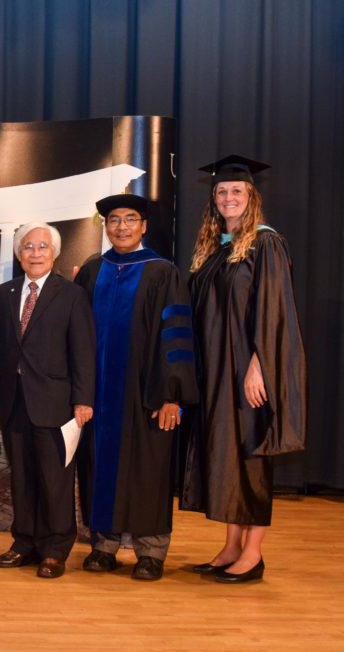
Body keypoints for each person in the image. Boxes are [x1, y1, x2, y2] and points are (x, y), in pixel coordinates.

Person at [181, 155, 307, 584]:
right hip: (218, 371)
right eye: (221, 192)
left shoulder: (265, 243)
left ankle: (253, 553)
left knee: (252, 456)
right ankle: (231, 545)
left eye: (237, 191)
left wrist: (259, 366)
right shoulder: (216, 249)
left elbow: (274, 312)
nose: (228, 197)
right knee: (228, 457)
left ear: (251, 196)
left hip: (247, 371)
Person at [73, 194, 198, 581]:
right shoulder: (92, 272)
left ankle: (151, 550)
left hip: (148, 394)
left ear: (144, 226)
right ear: (106, 227)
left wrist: (172, 395)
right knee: (96, 466)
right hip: (99, 396)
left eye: (130, 219)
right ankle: (104, 545)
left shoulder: (163, 272)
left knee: (150, 469)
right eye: (114, 220)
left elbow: (175, 337)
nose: (122, 227)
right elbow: (76, 338)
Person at [0, 222, 95, 579]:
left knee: (56, 479)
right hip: (14, 403)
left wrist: (83, 400)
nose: (35, 253)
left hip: (57, 404)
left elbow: (84, 351)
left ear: (55, 253)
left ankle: (55, 548)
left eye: (42, 247)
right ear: (19, 253)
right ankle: (24, 543)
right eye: (28, 247)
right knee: (22, 478)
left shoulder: (72, 295)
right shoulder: (4, 294)